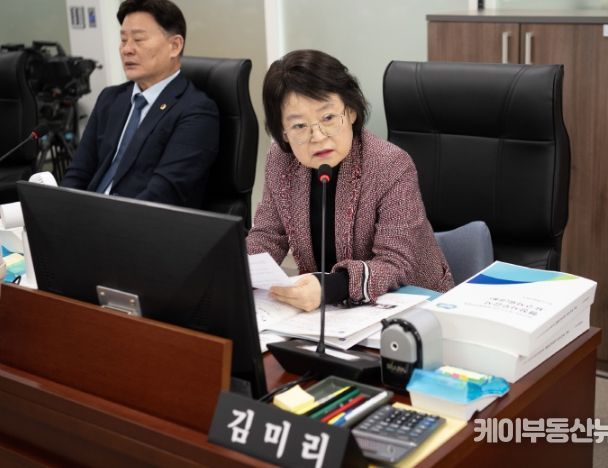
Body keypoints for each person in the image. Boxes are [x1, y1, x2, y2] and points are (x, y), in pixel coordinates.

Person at [246, 49, 454, 312]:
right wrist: (237, 269)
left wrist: (331, 287)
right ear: (283, 132)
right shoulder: (281, 161)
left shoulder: (390, 165)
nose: (317, 136)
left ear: (352, 111)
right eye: (299, 126)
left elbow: (395, 264)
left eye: (328, 118)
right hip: (329, 313)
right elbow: (268, 235)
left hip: (411, 305)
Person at [60, 0, 219, 207]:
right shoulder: (111, 99)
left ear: (174, 46)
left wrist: (99, 219)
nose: (127, 49)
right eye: (123, 40)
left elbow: (163, 193)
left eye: (138, 39)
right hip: (85, 216)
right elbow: (77, 173)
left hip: (137, 221)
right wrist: (61, 210)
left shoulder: (196, 111)